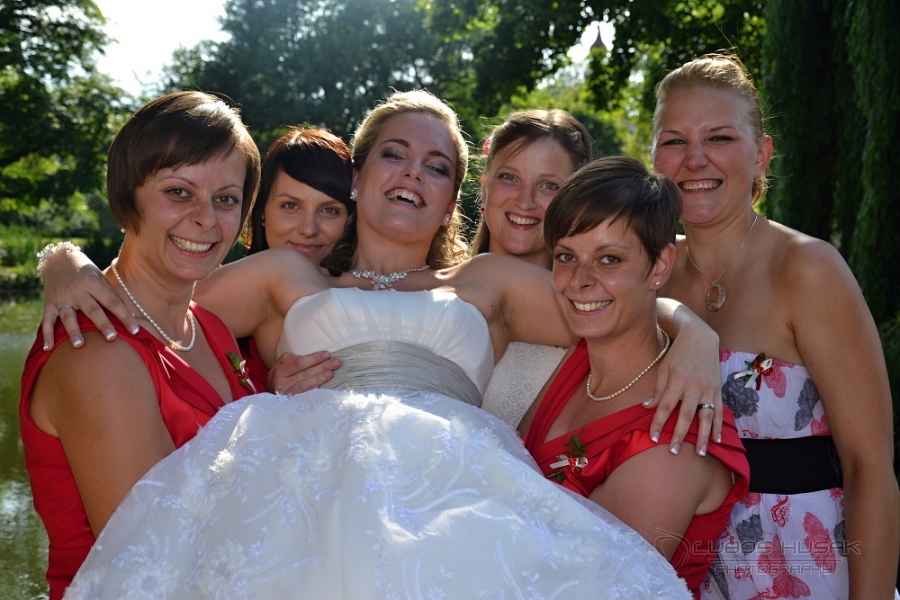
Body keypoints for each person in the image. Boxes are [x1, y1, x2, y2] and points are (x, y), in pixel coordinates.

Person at [41, 90, 719, 598]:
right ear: (358, 177)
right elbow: (149, 298)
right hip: (301, 489)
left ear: (452, 201)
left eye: (436, 167)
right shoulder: (286, 275)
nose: (412, 173)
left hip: (451, 489)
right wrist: (64, 263)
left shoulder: (487, 282)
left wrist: (692, 331)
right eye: (394, 155)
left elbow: (611, 299)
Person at [650, 54, 899, 599]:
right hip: (680, 575)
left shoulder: (807, 270)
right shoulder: (649, 276)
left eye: (719, 137)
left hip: (803, 569)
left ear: (761, 155)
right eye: (674, 141)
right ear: (654, 159)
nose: (694, 159)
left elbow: (870, 468)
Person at [19, 91, 262, 599]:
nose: (205, 218)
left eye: (225, 199)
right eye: (179, 192)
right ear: (127, 197)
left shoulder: (210, 328)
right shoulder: (99, 352)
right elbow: (156, 563)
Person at [519, 156, 750, 599]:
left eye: (609, 259)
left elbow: (586, 588)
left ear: (660, 266)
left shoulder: (672, 441)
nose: (579, 281)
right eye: (566, 257)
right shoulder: (584, 358)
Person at [472, 110, 596, 428]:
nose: (525, 201)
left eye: (549, 185)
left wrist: (692, 332)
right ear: (485, 186)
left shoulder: (593, 307)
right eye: (509, 178)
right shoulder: (440, 284)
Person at [238, 126, 353, 390]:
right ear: (262, 212)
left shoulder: (374, 294)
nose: (309, 229)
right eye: (290, 206)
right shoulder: (218, 291)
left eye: (329, 210)